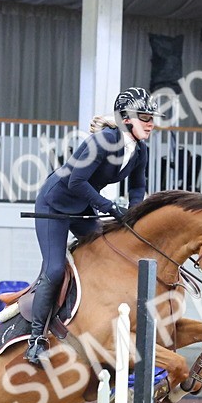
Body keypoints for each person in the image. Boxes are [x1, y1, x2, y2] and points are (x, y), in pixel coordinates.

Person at [25, 86, 157, 366]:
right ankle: (36, 339)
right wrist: (109, 207)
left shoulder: (140, 150)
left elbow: (137, 187)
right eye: (145, 117)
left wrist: (135, 215)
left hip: (83, 204)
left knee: (106, 256)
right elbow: (76, 181)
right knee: (54, 269)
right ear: (126, 119)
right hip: (54, 204)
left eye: (152, 118)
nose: (151, 123)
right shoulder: (103, 141)